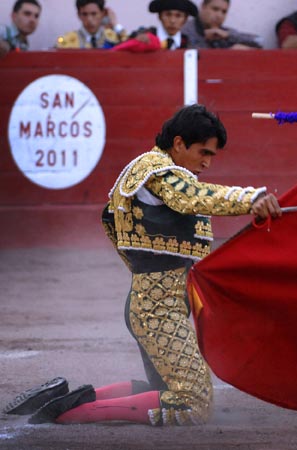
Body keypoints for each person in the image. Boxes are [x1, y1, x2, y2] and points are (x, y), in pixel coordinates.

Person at [4, 104, 282, 426]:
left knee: (165, 390)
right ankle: (62, 414)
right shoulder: (157, 172)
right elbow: (191, 197)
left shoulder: (150, 170)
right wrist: (249, 199)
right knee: (193, 403)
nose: (207, 162)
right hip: (158, 309)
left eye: (212, 155)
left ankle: (65, 398)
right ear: (179, 143)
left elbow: (114, 224)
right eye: (203, 152)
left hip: (151, 300)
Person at [183, 0, 262, 49]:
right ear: (203, 6)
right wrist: (227, 54)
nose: (219, 16)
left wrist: (228, 35)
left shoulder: (224, 33)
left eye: (224, 12)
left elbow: (260, 41)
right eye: (215, 9)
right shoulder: (185, 30)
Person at [127, 0, 198, 51]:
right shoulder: (145, 35)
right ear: (160, 16)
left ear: (185, 19)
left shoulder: (189, 44)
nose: (172, 20)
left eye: (178, 16)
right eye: (168, 14)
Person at [56, 0, 127, 49]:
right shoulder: (66, 41)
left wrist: (115, 25)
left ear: (103, 13)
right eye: (84, 14)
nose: (89, 19)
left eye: (94, 14)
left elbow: (129, 44)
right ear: (78, 15)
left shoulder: (114, 37)